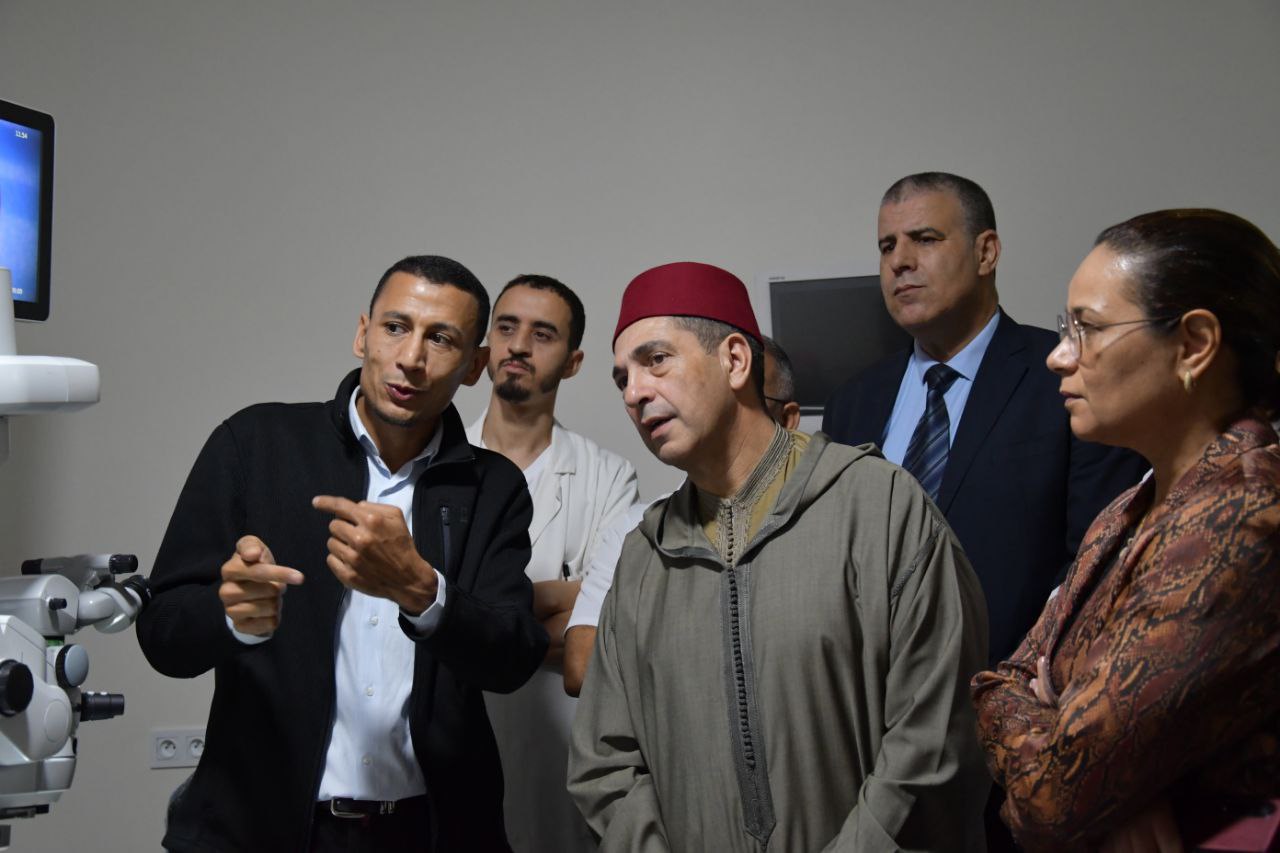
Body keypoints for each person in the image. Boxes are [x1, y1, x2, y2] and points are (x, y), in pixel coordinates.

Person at [569, 261, 990, 850]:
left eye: (656, 360)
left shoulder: (879, 507)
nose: (634, 393)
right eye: (622, 379)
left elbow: (936, 734)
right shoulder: (644, 559)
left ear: (735, 360)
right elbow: (605, 764)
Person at [136, 255, 548, 853]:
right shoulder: (254, 443)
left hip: (428, 833)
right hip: (259, 830)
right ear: (363, 334)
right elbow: (162, 635)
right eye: (396, 327)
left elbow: (512, 660)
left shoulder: (495, 487)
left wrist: (422, 592)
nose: (411, 357)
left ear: (473, 367)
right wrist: (230, 616)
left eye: (441, 339)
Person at [972, 209, 1280, 851]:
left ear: (1194, 344)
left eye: (1087, 328)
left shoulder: (1243, 516)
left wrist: (1067, 748)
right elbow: (1002, 679)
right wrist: (1083, 763)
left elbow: (1052, 797)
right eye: (1065, 329)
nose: (1059, 356)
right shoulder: (1130, 506)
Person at [823, 171, 1147, 666]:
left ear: (986, 253)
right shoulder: (852, 403)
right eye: (887, 246)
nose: (899, 261)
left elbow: (1097, 564)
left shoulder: (1067, 380)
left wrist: (1021, 684)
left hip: (1014, 688)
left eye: (924, 239)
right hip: (870, 695)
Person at [466, 273, 638, 853]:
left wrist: (466, 620)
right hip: (450, 748)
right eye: (506, 327)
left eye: (543, 334)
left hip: (558, 754)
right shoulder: (436, 467)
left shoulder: (608, 477)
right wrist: (563, 597)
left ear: (573, 362)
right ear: (486, 344)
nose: (518, 345)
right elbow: (406, 616)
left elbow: (609, 631)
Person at [562, 335, 799, 698]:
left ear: (788, 418)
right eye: (623, 381)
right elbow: (581, 666)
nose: (635, 395)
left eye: (752, 398)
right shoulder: (636, 530)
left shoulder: (838, 512)